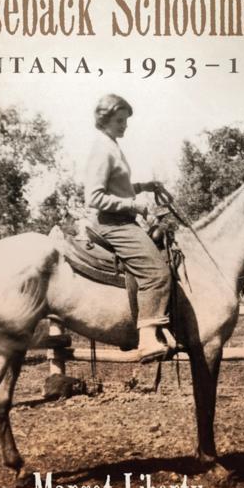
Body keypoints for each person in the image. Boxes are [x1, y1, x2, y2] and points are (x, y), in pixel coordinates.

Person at [85, 93, 172, 362]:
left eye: (125, 120)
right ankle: (146, 338)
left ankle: (161, 326)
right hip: (113, 224)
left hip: (122, 221)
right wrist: (135, 206)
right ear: (106, 119)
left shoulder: (112, 146)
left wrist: (143, 187)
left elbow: (118, 188)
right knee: (157, 273)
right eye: (120, 120)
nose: (125, 125)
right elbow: (94, 197)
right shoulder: (103, 149)